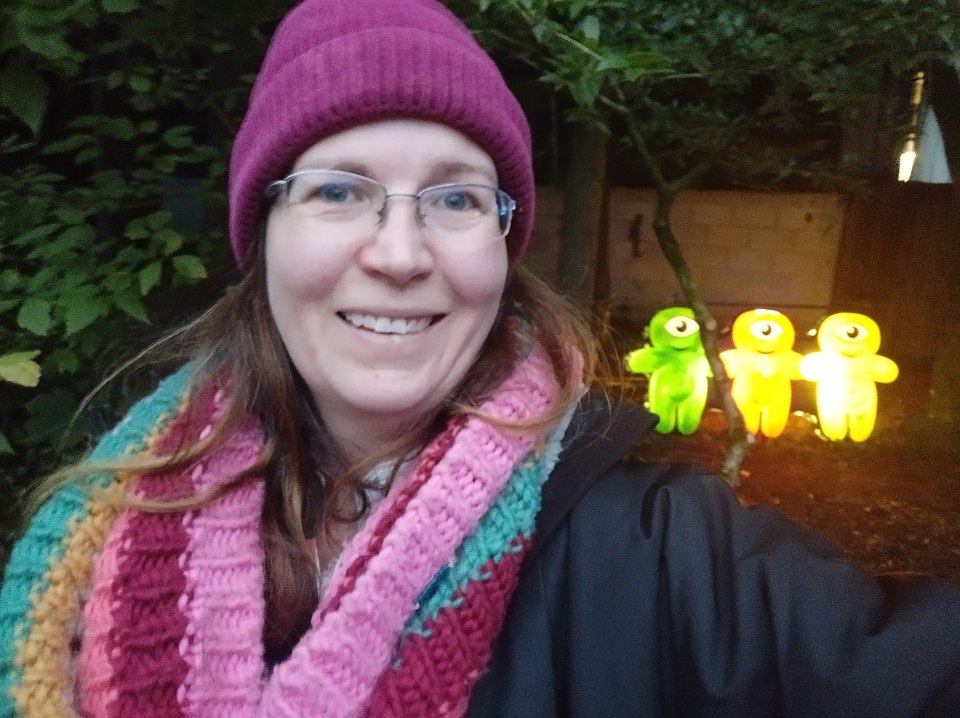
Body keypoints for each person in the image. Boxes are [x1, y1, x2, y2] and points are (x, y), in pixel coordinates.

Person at [2, 0, 960, 715]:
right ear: (264, 233)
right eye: (340, 191)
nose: (402, 252)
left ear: (503, 245)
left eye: (457, 199)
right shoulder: (112, 520)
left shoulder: (668, 552)